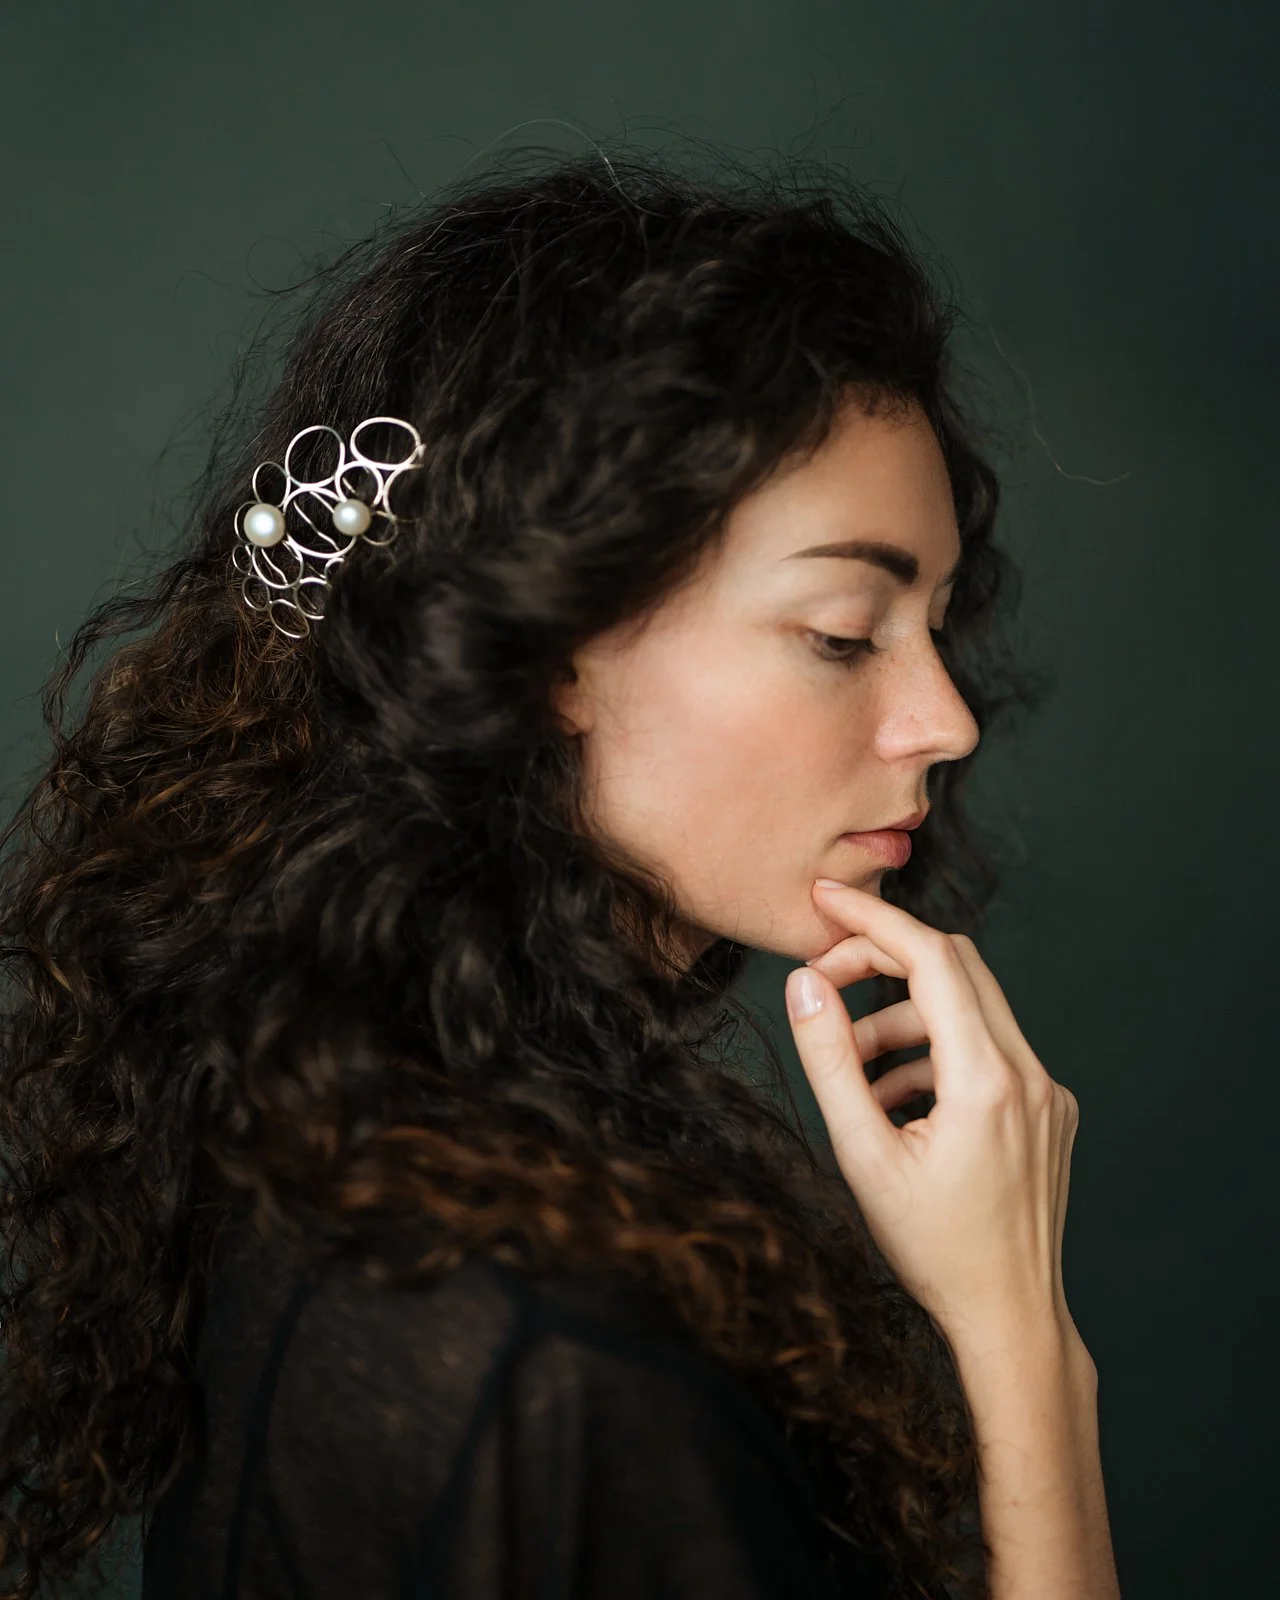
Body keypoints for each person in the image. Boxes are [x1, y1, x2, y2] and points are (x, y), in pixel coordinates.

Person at [0, 146, 1119, 1600]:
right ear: (543, 653)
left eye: (939, 624)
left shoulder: (351, 1154)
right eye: (845, 632)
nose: (947, 720)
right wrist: (1025, 1345)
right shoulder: (566, 1359)